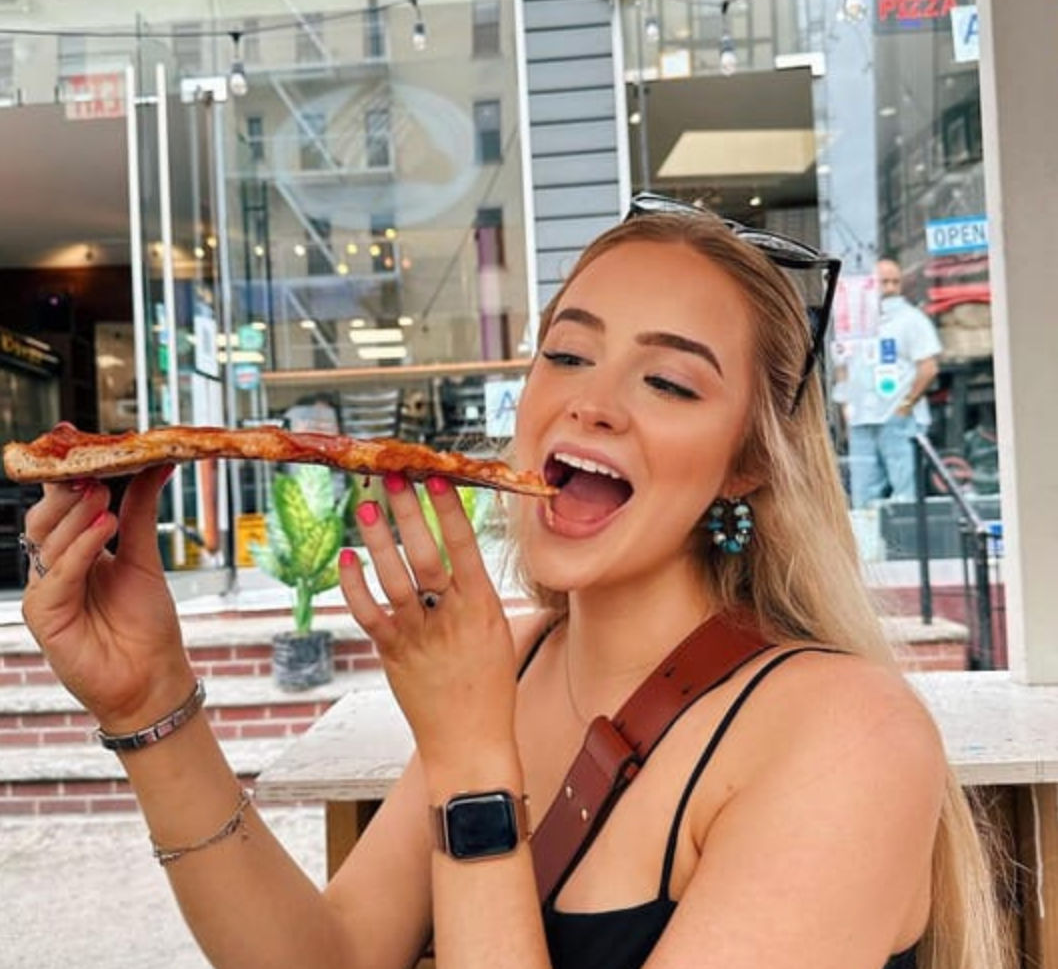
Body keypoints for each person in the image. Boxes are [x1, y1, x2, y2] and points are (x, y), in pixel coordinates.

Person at [19, 198, 1009, 969]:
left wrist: (470, 765)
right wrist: (151, 705)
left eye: (669, 381)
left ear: (745, 462)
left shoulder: (846, 736)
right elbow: (329, 958)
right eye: (567, 353)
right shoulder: (521, 662)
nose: (591, 401)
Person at [835, 258, 942, 508]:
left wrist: (905, 406)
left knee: (905, 496)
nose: (891, 288)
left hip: (897, 418)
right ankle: (868, 534)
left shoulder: (911, 319)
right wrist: (846, 407)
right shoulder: (853, 323)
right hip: (862, 419)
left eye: (896, 282)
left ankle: (907, 535)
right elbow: (842, 367)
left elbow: (929, 367)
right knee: (863, 498)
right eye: (884, 282)